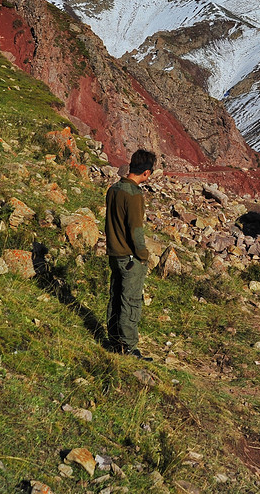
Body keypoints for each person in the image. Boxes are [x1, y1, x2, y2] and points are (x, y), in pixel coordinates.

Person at [104, 148, 157, 360]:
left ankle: (114, 341)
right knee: (131, 300)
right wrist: (143, 255)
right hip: (130, 257)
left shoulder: (114, 189)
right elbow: (136, 229)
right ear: (146, 173)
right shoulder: (134, 195)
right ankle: (128, 347)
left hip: (114, 253)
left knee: (116, 296)